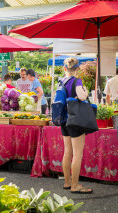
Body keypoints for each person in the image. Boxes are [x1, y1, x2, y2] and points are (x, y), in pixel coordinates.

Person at [60, 57, 92, 194]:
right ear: (77, 68)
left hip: (63, 120)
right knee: (77, 154)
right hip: (76, 120)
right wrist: (84, 90)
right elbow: (83, 97)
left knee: (67, 152)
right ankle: (75, 185)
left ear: (64, 68)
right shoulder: (77, 81)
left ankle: (67, 182)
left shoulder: (61, 81)